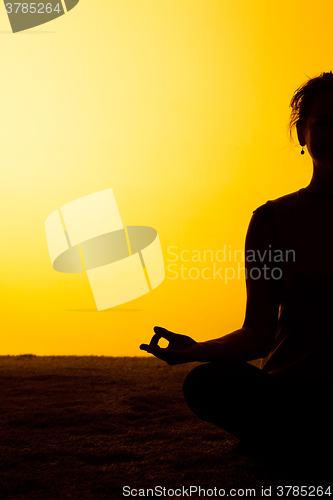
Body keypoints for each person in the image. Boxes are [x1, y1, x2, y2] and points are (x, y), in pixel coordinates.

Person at [140, 72, 333, 463]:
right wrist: (197, 349)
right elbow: (258, 332)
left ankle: (294, 443)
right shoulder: (272, 222)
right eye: (323, 122)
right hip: (292, 392)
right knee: (206, 382)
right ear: (302, 133)